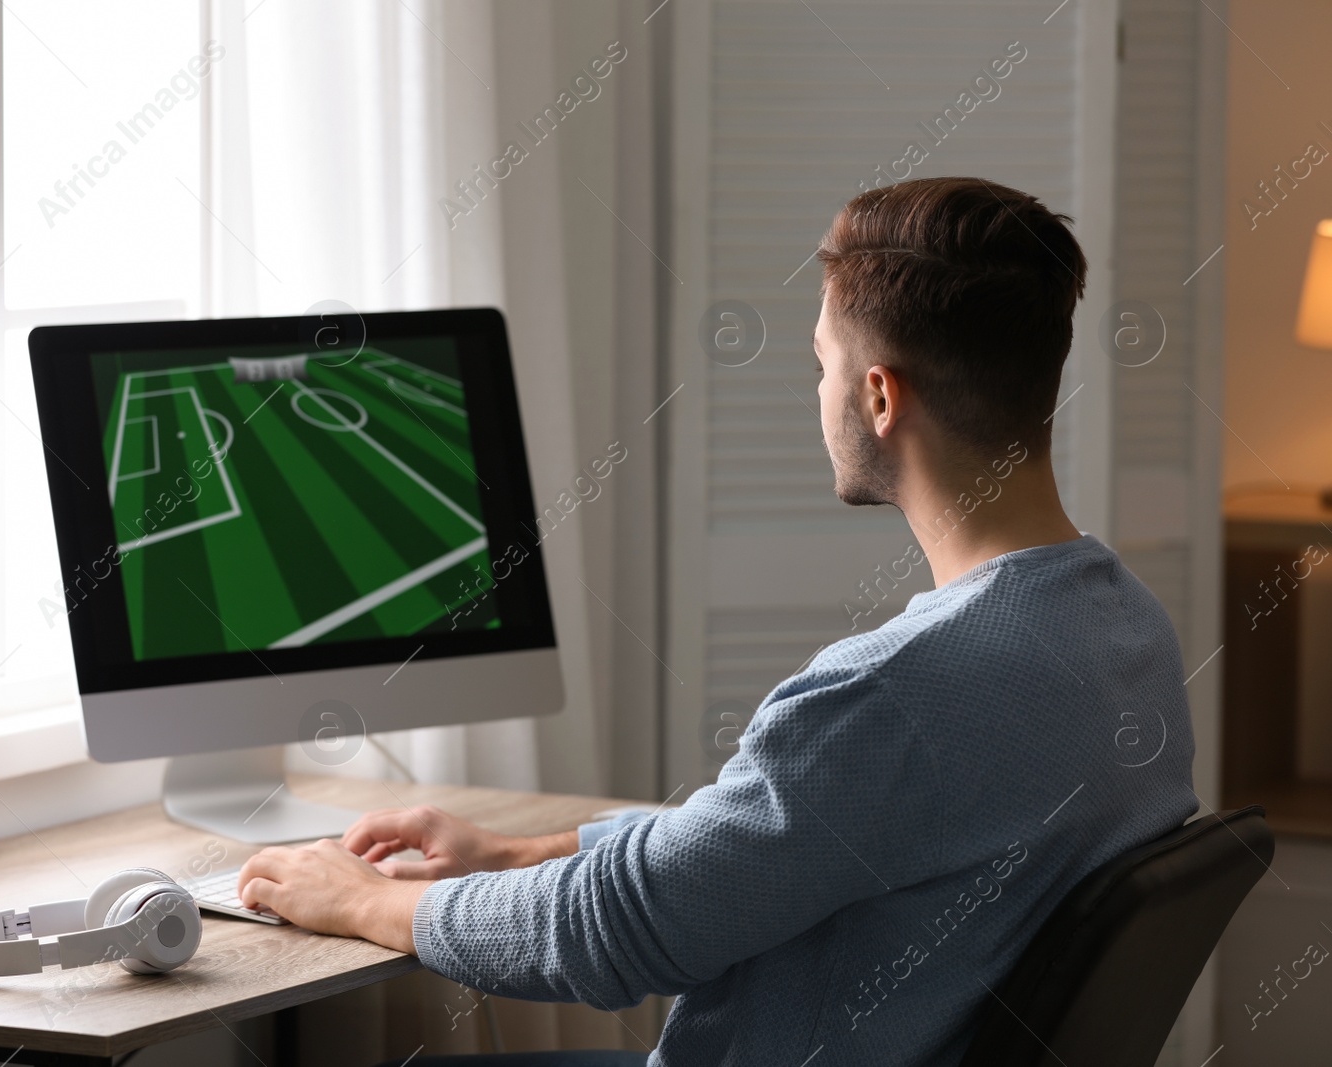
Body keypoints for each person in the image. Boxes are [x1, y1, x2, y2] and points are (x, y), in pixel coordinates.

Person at [235, 177, 1197, 1066]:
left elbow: (618, 934)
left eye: (821, 363)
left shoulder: (894, 695)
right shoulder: (1128, 634)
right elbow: (767, 851)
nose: (814, 393)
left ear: (878, 394)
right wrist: (516, 851)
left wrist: (363, 898)